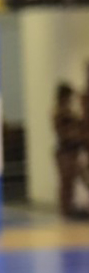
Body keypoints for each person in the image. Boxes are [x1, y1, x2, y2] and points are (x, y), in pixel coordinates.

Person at [53, 82, 89, 219]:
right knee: (66, 183)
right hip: (65, 152)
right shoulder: (60, 112)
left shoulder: (69, 112)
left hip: (73, 150)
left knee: (76, 181)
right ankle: (66, 212)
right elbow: (66, 133)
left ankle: (72, 208)